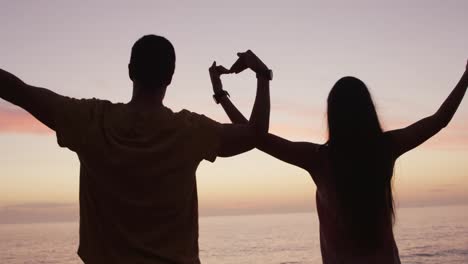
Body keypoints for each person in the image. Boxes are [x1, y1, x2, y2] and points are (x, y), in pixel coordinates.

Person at [0, 35, 272, 264]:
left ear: (130, 70)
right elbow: (256, 134)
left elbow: (17, 90)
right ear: (170, 77)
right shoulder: (190, 131)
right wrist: (261, 75)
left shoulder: (91, 119)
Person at [210, 59, 468, 263]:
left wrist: (224, 93)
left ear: (332, 114)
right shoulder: (385, 148)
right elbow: (440, 119)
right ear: (368, 110)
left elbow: (255, 137)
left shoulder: (319, 159)